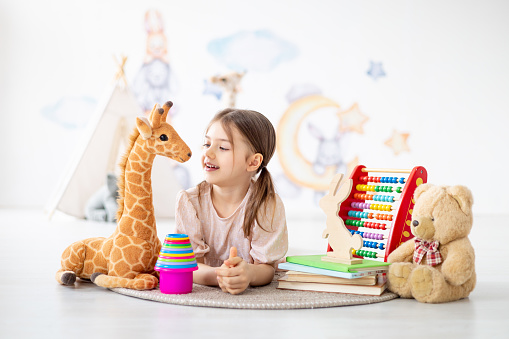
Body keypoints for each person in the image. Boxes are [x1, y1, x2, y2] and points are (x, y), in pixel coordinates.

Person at [175, 108, 288, 295]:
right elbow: (189, 265)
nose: (208, 153)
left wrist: (248, 274)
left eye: (223, 148)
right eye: (207, 144)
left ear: (253, 162)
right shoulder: (189, 202)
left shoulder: (267, 204)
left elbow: (267, 269)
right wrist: (221, 275)